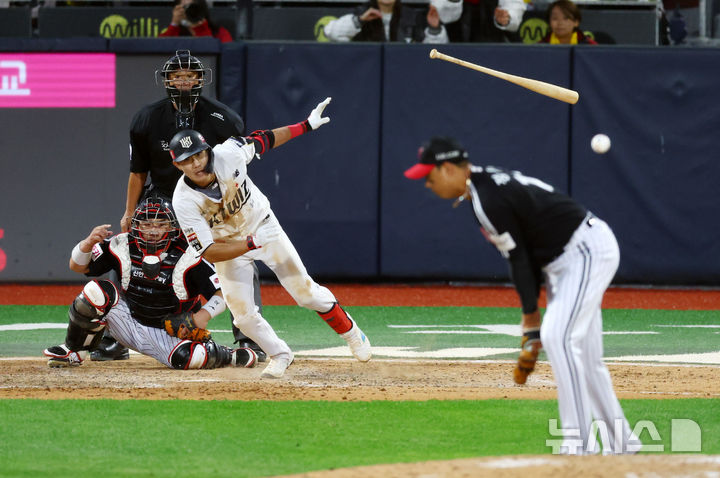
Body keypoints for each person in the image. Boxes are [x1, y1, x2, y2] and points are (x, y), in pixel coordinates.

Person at [404, 137, 639, 454]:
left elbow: (519, 260)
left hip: (584, 251)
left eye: (430, 177)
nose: (428, 186)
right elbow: (525, 254)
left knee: (559, 337)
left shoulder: (487, 198)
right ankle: (621, 443)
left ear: (448, 169)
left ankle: (578, 447)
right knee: (584, 352)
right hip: (568, 260)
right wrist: (530, 324)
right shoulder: (484, 184)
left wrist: (531, 318)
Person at [169, 98, 372, 379]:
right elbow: (210, 252)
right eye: (187, 161)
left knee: (305, 293)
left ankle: (351, 333)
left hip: (263, 226)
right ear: (177, 165)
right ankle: (280, 354)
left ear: (207, 151)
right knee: (242, 317)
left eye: (199, 156)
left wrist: (306, 125)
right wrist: (247, 245)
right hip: (228, 247)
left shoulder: (229, 153)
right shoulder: (183, 201)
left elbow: (265, 139)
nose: (196, 164)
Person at [93, 50, 267, 363]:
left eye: (190, 75)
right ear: (168, 81)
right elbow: (137, 172)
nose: (184, 81)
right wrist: (129, 213)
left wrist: (235, 212)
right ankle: (112, 337)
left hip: (212, 202)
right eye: (177, 76)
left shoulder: (224, 119)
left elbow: (237, 170)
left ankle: (250, 338)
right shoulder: (147, 119)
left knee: (240, 260)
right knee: (127, 254)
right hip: (162, 204)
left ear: (201, 80)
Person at [44, 195, 259, 371]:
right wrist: (87, 243)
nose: (153, 230)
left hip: (168, 333)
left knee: (190, 358)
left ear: (172, 227)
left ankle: (228, 355)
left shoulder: (190, 254)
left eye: (160, 224)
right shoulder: (121, 244)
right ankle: (74, 350)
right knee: (95, 292)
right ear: (137, 225)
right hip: (127, 321)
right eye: (147, 224)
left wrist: (202, 316)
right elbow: (77, 266)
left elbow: (224, 292)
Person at [322, 0, 457, 43]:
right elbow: (329, 32)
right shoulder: (362, 12)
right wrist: (360, 20)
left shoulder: (412, 16)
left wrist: (434, 28)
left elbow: (435, 50)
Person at [444, 0, 526, 43]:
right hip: (453, 42)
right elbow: (439, 11)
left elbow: (514, 6)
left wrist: (508, 17)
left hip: (492, 42)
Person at [158, 0, 232, 43]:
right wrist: (174, 25)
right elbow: (159, 47)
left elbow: (210, 54)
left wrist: (201, 29)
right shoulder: (174, 33)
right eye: (185, 7)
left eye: (193, 7)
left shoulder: (220, 33)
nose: (191, 11)